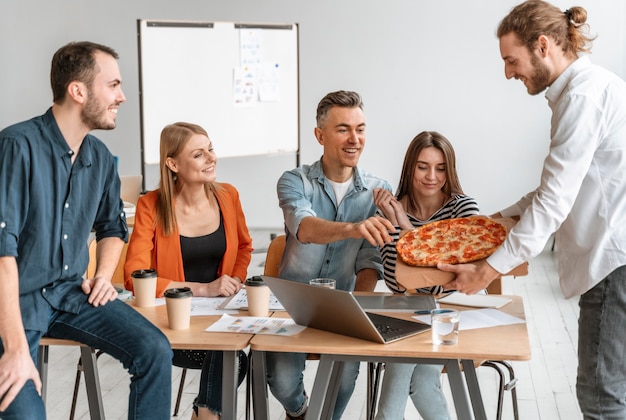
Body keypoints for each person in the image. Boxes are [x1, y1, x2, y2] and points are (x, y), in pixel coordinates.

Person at [437, 2, 626, 418]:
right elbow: (553, 189)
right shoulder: (585, 89)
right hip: (616, 260)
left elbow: (555, 201)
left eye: (511, 60)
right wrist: (490, 223)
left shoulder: (581, 96)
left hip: (614, 264)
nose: (507, 72)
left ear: (542, 46)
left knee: (601, 397)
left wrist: (487, 271)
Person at [0, 41, 172, 419]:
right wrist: (14, 350)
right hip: (16, 301)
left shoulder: (100, 159)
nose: (122, 97)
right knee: (27, 413)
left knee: (154, 349)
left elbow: (112, 226)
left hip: (70, 294)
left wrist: (103, 277)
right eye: (113, 85)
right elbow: (2, 252)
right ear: (77, 91)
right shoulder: (17, 145)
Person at [265, 90, 395, 420]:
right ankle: (300, 413)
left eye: (360, 128)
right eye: (343, 129)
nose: (355, 139)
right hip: (292, 305)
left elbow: (370, 259)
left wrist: (357, 308)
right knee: (281, 383)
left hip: (345, 305)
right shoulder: (295, 181)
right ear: (320, 135)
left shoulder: (378, 191)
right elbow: (305, 229)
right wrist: (353, 228)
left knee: (344, 379)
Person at [124, 122, 253, 420]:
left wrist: (234, 279)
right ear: (173, 164)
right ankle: (205, 415)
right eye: (198, 154)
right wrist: (204, 289)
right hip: (174, 328)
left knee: (233, 354)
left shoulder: (228, 196)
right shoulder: (151, 205)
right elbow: (134, 276)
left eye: (211, 149)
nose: (211, 158)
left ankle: (202, 415)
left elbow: (245, 248)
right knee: (231, 358)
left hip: (222, 318)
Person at [373, 131, 479, 420]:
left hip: (454, 312)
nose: (432, 176)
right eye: (423, 166)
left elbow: (443, 285)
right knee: (421, 382)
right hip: (407, 312)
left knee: (407, 374)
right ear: (410, 168)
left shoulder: (462, 208)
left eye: (440, 168)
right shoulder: (388, 209)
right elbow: (397, 283)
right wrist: (398, 226)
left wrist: (404, 226)